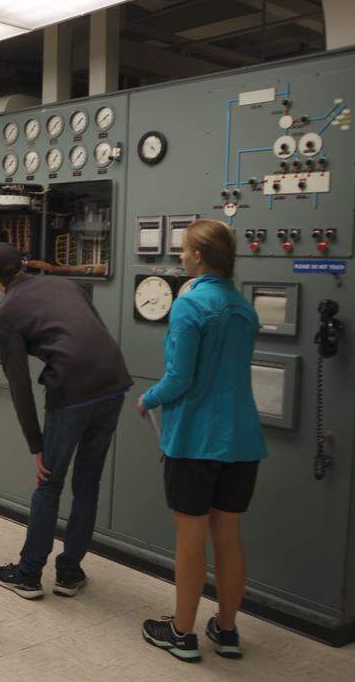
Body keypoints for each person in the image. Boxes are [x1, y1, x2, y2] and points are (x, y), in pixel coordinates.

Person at [138, 219, 266, 664]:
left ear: (197, 256)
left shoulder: (190, 305)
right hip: (242, 441)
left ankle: (181, 633)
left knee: (190, 538)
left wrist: (147, 399)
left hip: (195, 441)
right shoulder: (245, 310)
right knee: (228, 537)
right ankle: (227, 631)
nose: (180, 256)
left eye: (184, 249)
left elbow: (179, 378)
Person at [0, 242, 132, 600]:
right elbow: (93, 333)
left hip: (72, 392)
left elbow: (19, 385)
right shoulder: (66, 285)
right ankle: (69, 573)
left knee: (49, 483)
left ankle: (28, 575)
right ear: (23, 264)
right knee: (88, 483)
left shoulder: (5, 314)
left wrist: (37, 446)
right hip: (113, 383)